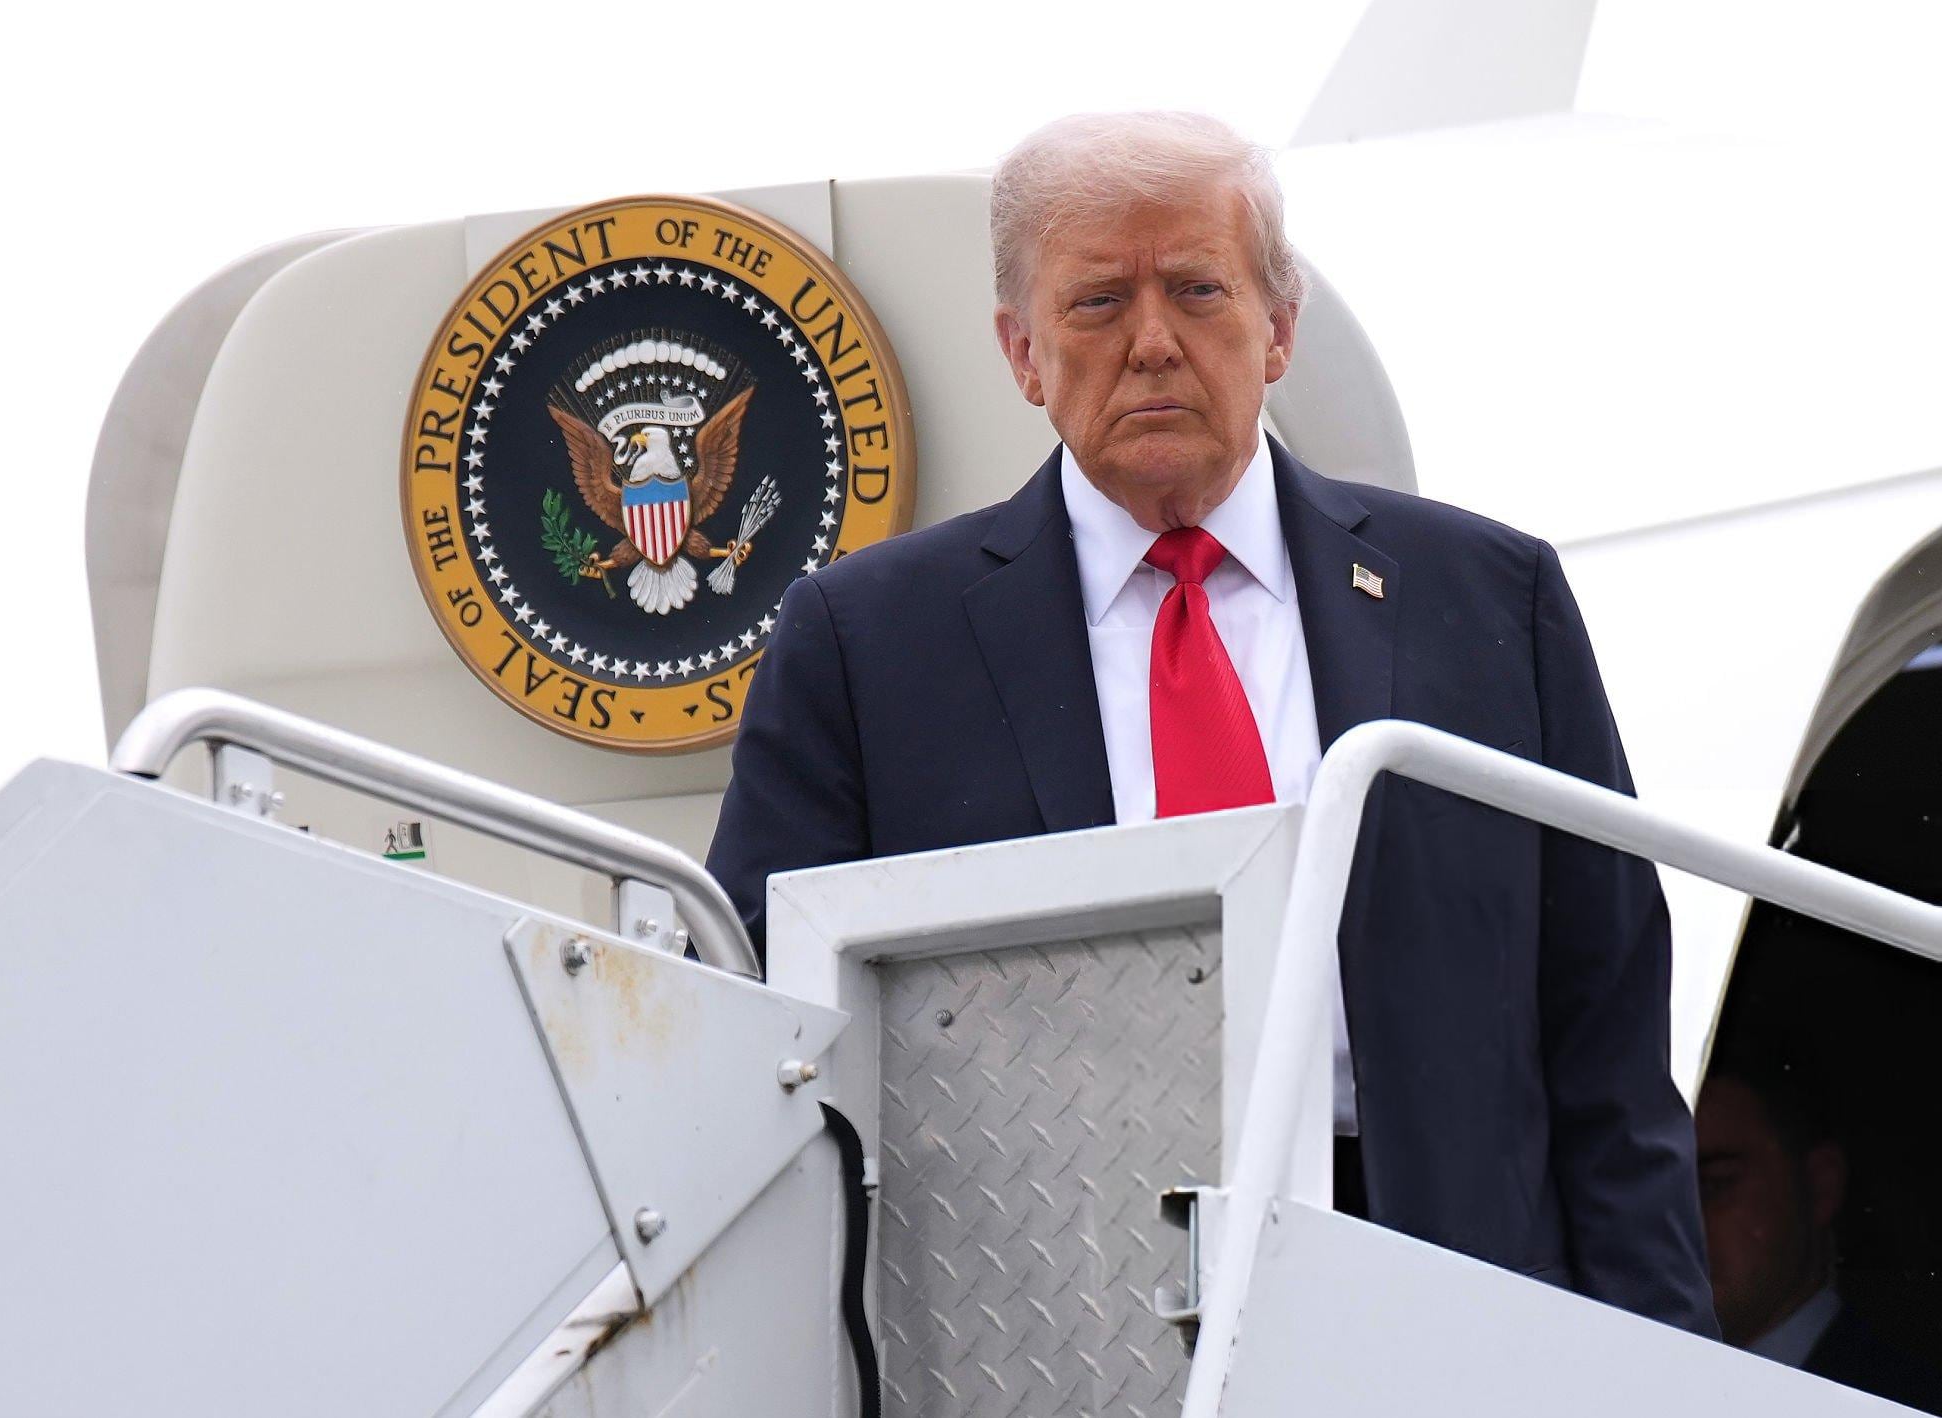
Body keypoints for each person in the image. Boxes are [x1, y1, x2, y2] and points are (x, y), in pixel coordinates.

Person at [707, 110, 1715, 1335]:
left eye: (1195, 288)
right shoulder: (866, 645)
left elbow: (1605, 1039)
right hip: (1040, 1312)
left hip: (1449, 1297)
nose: (1150, 344)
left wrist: (1665, 1366)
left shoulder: (1488, 601)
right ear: (1020, 353)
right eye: (1094, 305)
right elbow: (769, 1024)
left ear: (1276, 326)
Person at [1698, 1068, 1942, 1410]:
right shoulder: (1639, 1380)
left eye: (1713, 1183)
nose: (1678, 1216)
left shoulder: (1907, 1400)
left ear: (1819, 1186)